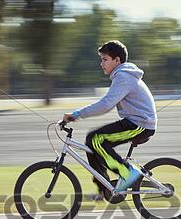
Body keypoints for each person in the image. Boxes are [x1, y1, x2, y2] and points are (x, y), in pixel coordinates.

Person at [62, 40, 157, 200]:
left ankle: (127, 173)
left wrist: (77, 114)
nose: (101, 64)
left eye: (105, 59)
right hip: (135, 122)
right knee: (92, 143)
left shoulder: (124, 77)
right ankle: (105, 188)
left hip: (140, 125)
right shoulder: (123, 76)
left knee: (94, 139)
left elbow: (106, 105)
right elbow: (107, 104)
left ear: (117, 60)